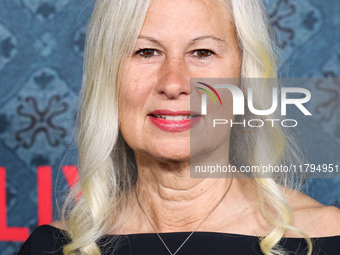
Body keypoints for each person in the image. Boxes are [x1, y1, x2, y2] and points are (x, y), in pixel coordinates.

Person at [18, 0, 340, 254]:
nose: (173, 83)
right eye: (146, 51)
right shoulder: (52, 247)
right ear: (108, 77)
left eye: (202, 52)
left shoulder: (325, 236)